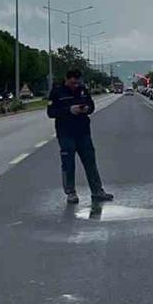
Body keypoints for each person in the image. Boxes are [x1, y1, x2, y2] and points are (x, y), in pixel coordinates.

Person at [47, 69, 114, 205]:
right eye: (73, 83)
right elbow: (51, 112)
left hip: (83, 132)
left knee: (90, 162)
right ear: (67, 79)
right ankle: (71, 192)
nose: (75, 85)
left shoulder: (83, 90)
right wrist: (69, 110)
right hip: (66, 133)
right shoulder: (57, 92)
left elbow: (91, 106)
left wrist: (86, 109)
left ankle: (97, 191)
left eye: (77, 83)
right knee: (68, 164)